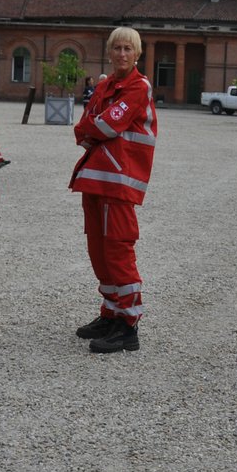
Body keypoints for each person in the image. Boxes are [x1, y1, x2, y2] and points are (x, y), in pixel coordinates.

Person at [70, 28, 157, 354]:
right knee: (98, 250)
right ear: (109, 52)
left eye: (127, 49)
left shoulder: (138, 86)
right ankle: (111, 312)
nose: (122, 54)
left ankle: (128, 325)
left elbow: (106, 125)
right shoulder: (105, 85)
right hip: (96, 178)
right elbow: (83, 128)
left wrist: (93, 128)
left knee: (118, 249)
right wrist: (92, 128)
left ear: (137, 54)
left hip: (119, 181)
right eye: (117, 48)